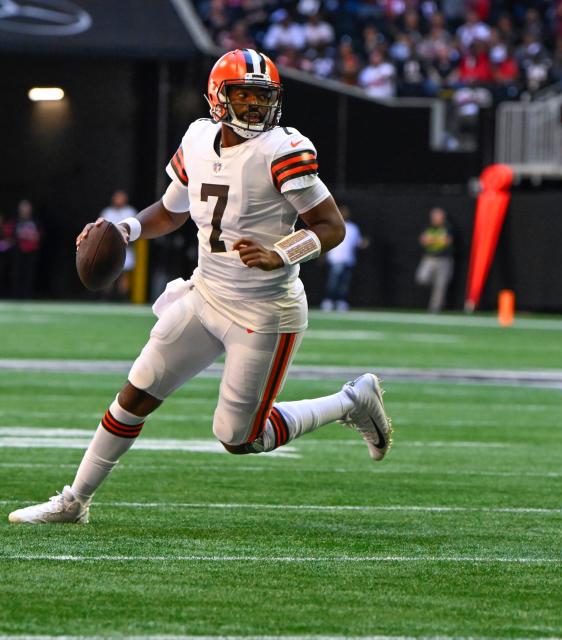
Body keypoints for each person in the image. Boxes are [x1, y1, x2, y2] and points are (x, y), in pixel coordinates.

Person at [8, 49, 393, 525]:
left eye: (262, 98)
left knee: (239, 437)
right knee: (136, 393)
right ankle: (75, 501)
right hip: (206, 293)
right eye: (244, 96)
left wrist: (282, 252)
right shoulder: (197, 137)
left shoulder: (283, 148)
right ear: (218, 98)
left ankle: (351, 401)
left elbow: (329, 225)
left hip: (264, 311)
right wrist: (124, 230)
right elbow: (172, 209)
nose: (255, 108)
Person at [320, 204, 367, 312]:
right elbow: (327, 243)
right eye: (341, 212)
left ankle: (341, 301)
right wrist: (323, 256)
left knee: (344, 284)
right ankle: (328, 301)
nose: (344, 214)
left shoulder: (353, 228)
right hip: (335, 259)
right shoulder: (332, 226)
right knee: (333, 282)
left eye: (345, 212)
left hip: (348, 260)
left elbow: (358, 243)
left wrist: (364, 243)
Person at [99, 190, 138, 299]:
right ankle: (106, 296)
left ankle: (123, 297)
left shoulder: (130, 212)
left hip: (125, 248)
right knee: (108, 273)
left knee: (124, 273)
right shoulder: (107, 212)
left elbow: (135, 229)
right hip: (109, 248)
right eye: (117, 198)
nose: (119, 200)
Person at [415, 207, 454, 313]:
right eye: (435, 216)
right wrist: (437, 240)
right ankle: (434, 286)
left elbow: (447, 241)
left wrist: (431, 239)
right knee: (422, 278)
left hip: (444, 260)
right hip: (429, 258)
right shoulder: (427, 226)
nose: (437, 218)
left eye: (439, 216)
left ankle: (434, 309)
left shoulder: (447, 227)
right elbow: (423, 240)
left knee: (440, 286)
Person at [12, 199, 41, 299]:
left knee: (29, 275)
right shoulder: (16, 222)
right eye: (23, 208)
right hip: (19, 252)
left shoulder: (35, 222)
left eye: (26, 207)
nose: (24, 210)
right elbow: (12, 236)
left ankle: (28, 296)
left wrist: (28, 236)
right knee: (17, 274)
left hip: (31, 252)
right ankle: (16, 296)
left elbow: (38, 236)